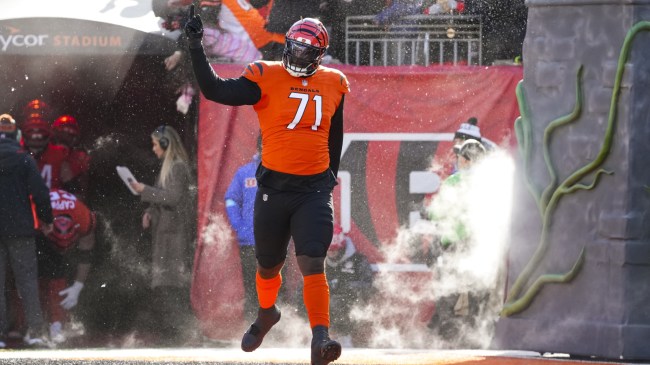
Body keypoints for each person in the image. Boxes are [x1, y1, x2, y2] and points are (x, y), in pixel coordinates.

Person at [186, 10, 349, 365]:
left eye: (308, 49)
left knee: (312, 261)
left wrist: (329, 177)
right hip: (273, 188)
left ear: (319, 54)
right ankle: (266, 313)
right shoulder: (266, 74)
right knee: (267, 265)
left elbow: (335, 135)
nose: (299, 53)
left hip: (312, 191)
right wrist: (196, 46)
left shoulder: (334, 81)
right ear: (287, 44)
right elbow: (214, 89)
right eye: (296, 45)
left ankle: (321, 338)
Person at [129, 125, 196, 346]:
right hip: (165, 234)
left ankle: (179, 333)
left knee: (172, 285)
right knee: (165, 284)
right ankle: (172, 333)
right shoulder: (167, 168)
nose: (154, 149)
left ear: (166, 144)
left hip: (174, 236)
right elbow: (163, 197)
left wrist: (144, 191)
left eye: (156, 144)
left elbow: (173, 197)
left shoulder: (177, 168)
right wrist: (148, 211)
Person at [0, 113, 53, 348]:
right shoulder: (24, 158)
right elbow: (41, 193)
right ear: (17, 135)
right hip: (21, 229)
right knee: (28, 282)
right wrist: (47, 219)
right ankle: (35, 332)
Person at [34, 189, 96, 345]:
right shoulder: (36, 217)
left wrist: (78, 285)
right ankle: (31, 325)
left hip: (64, 221)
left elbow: (87, 251)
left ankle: (57, 322)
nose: (64, 249)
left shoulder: (84, 219)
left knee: (59, 271)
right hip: (40, 231)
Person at [224, 135, 261, 323]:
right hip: (249, 242)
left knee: (276, 288)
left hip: (277, 243)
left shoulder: (284, 172)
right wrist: (239, 226)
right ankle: (252, 331)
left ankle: (278, 335)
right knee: (251, 288)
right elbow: (231, 199)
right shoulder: (245, 173)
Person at [323, 225, 374, 348]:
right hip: (328, 302)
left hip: (352, 304)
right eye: (329, 251)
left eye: (334, 250)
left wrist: (347, 286)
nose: (331, 254)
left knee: (340, 302)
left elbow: (369, 284)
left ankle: (345, 340)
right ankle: (317, 336)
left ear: (341, 248)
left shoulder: (358, 261)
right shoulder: (321, 262)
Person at [21, 116, 74, 190]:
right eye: (32, 134)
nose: (37, 137)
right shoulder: (16, 154)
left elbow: (72, 187)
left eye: (40, 134)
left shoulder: (59, 154)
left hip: (51, 200)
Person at [51, 115, 91, 199]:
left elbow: (81, 193)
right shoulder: (43, 153)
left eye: (70, 135)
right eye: (63, 134)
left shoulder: (79, 158)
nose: (66, 137)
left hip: (67, 200)